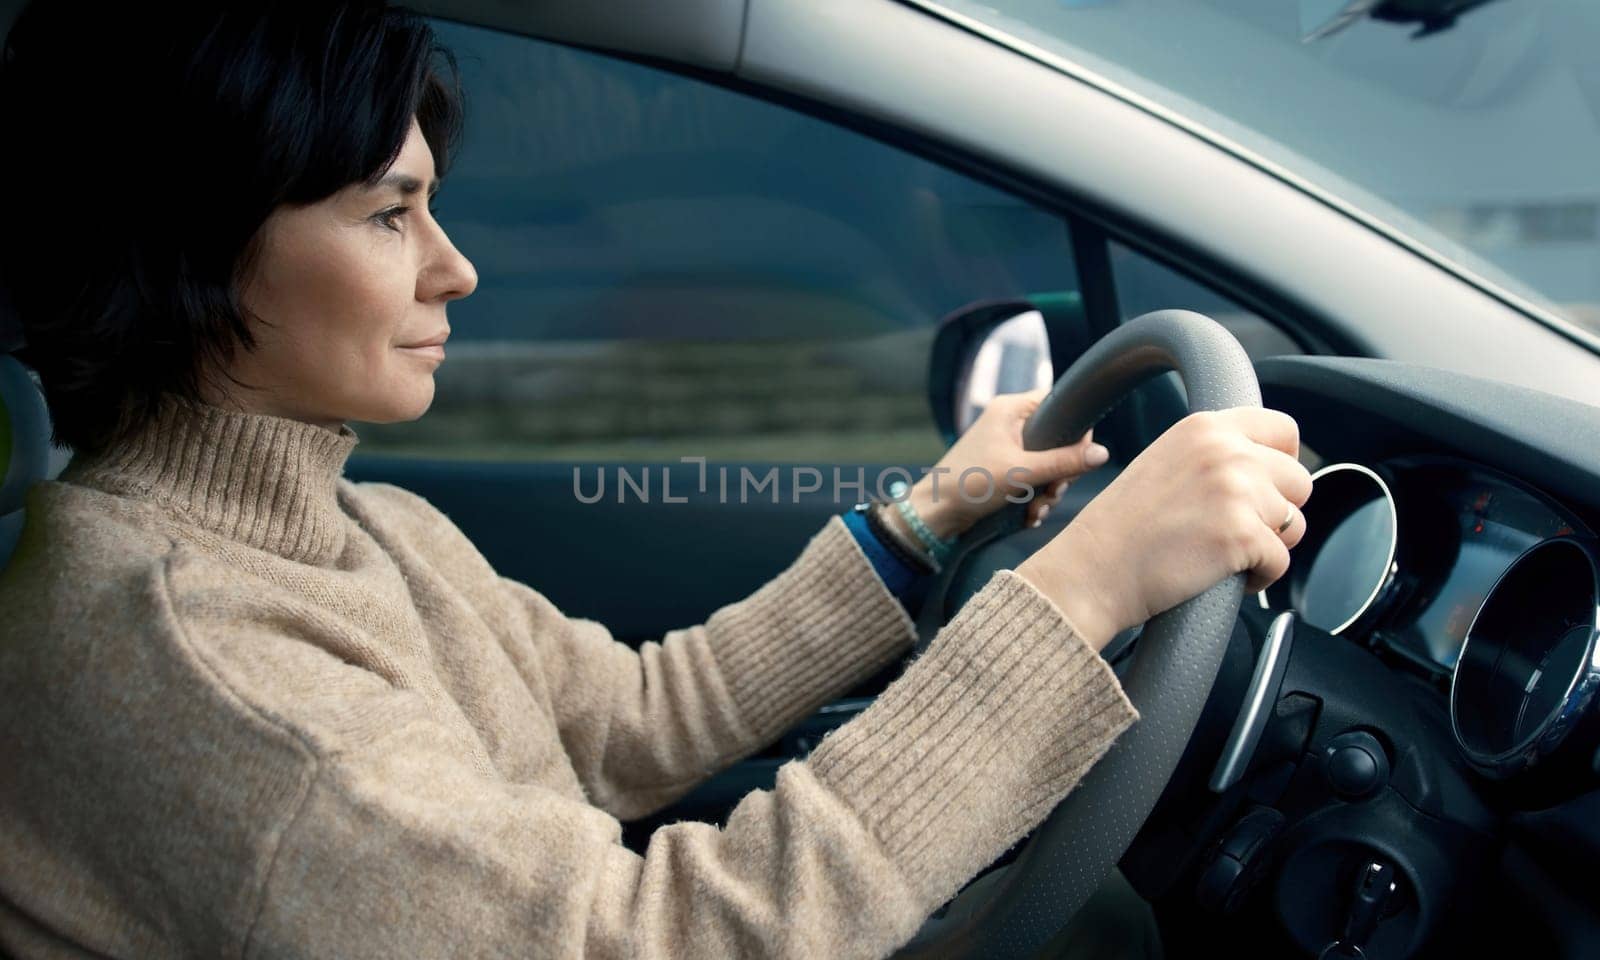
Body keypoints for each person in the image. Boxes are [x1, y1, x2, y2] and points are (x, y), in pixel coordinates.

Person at [0, 3, 1312, 957]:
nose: (454, 268)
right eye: (389, 214)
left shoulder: (358, 530)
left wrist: (927, 519)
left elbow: (627, 724)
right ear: (193, 245)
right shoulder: (178, 653)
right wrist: (1076, 596)